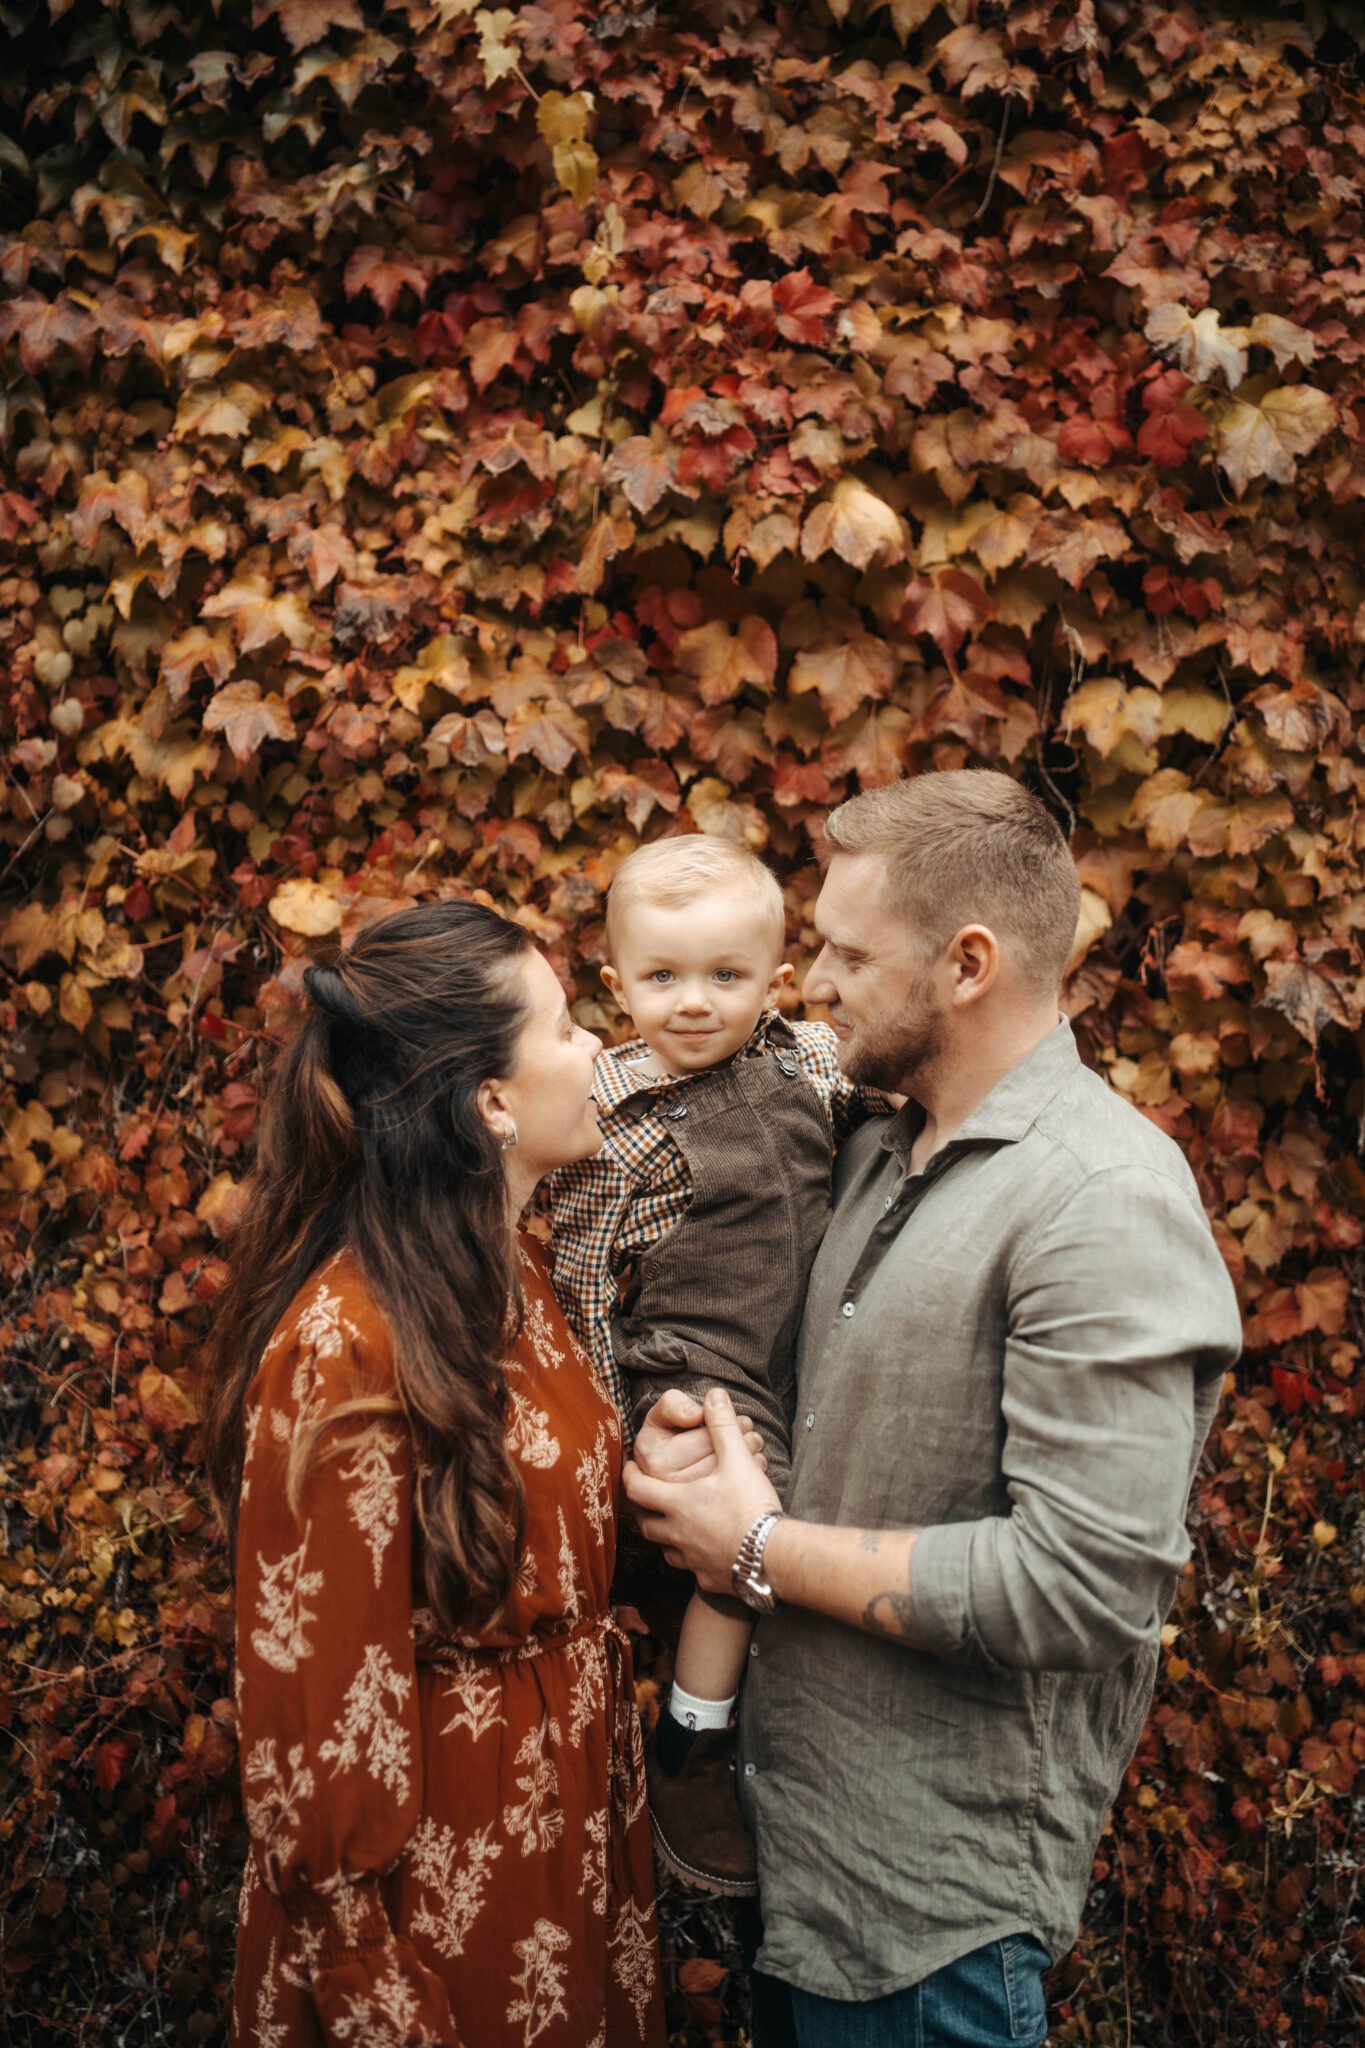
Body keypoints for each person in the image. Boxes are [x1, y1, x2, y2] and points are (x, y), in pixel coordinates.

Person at [624, 770, 1244, 2048]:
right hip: (796, 1890)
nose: (813, 980)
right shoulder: (866, 1149)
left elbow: (1085, 1584)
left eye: (851, 951)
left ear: (968, 962)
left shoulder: (1100, 1199)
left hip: (932, 1935)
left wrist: (752, 1545)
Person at [200, 899, 668, 2048]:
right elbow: (321, 1712)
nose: (598, 1049)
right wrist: (371, 1975)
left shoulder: (518, 1267)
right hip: (443, 1888)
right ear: (491, 1101)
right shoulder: (349, 1342)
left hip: (568, 1841)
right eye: (566, 1029)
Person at [550, 837, 882, 1897]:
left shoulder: (809, 1061)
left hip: (796, 1347)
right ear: (616, 984)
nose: (693, 1003)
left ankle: (764, 1724)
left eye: (725, 976)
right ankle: (692, 1746)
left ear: (776, 982)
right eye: (661, 977)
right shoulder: (616, 1117)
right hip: (691, 1365)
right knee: (751, 1529)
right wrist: (606, 1435)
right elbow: (583, 1279)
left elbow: (890, 1098)